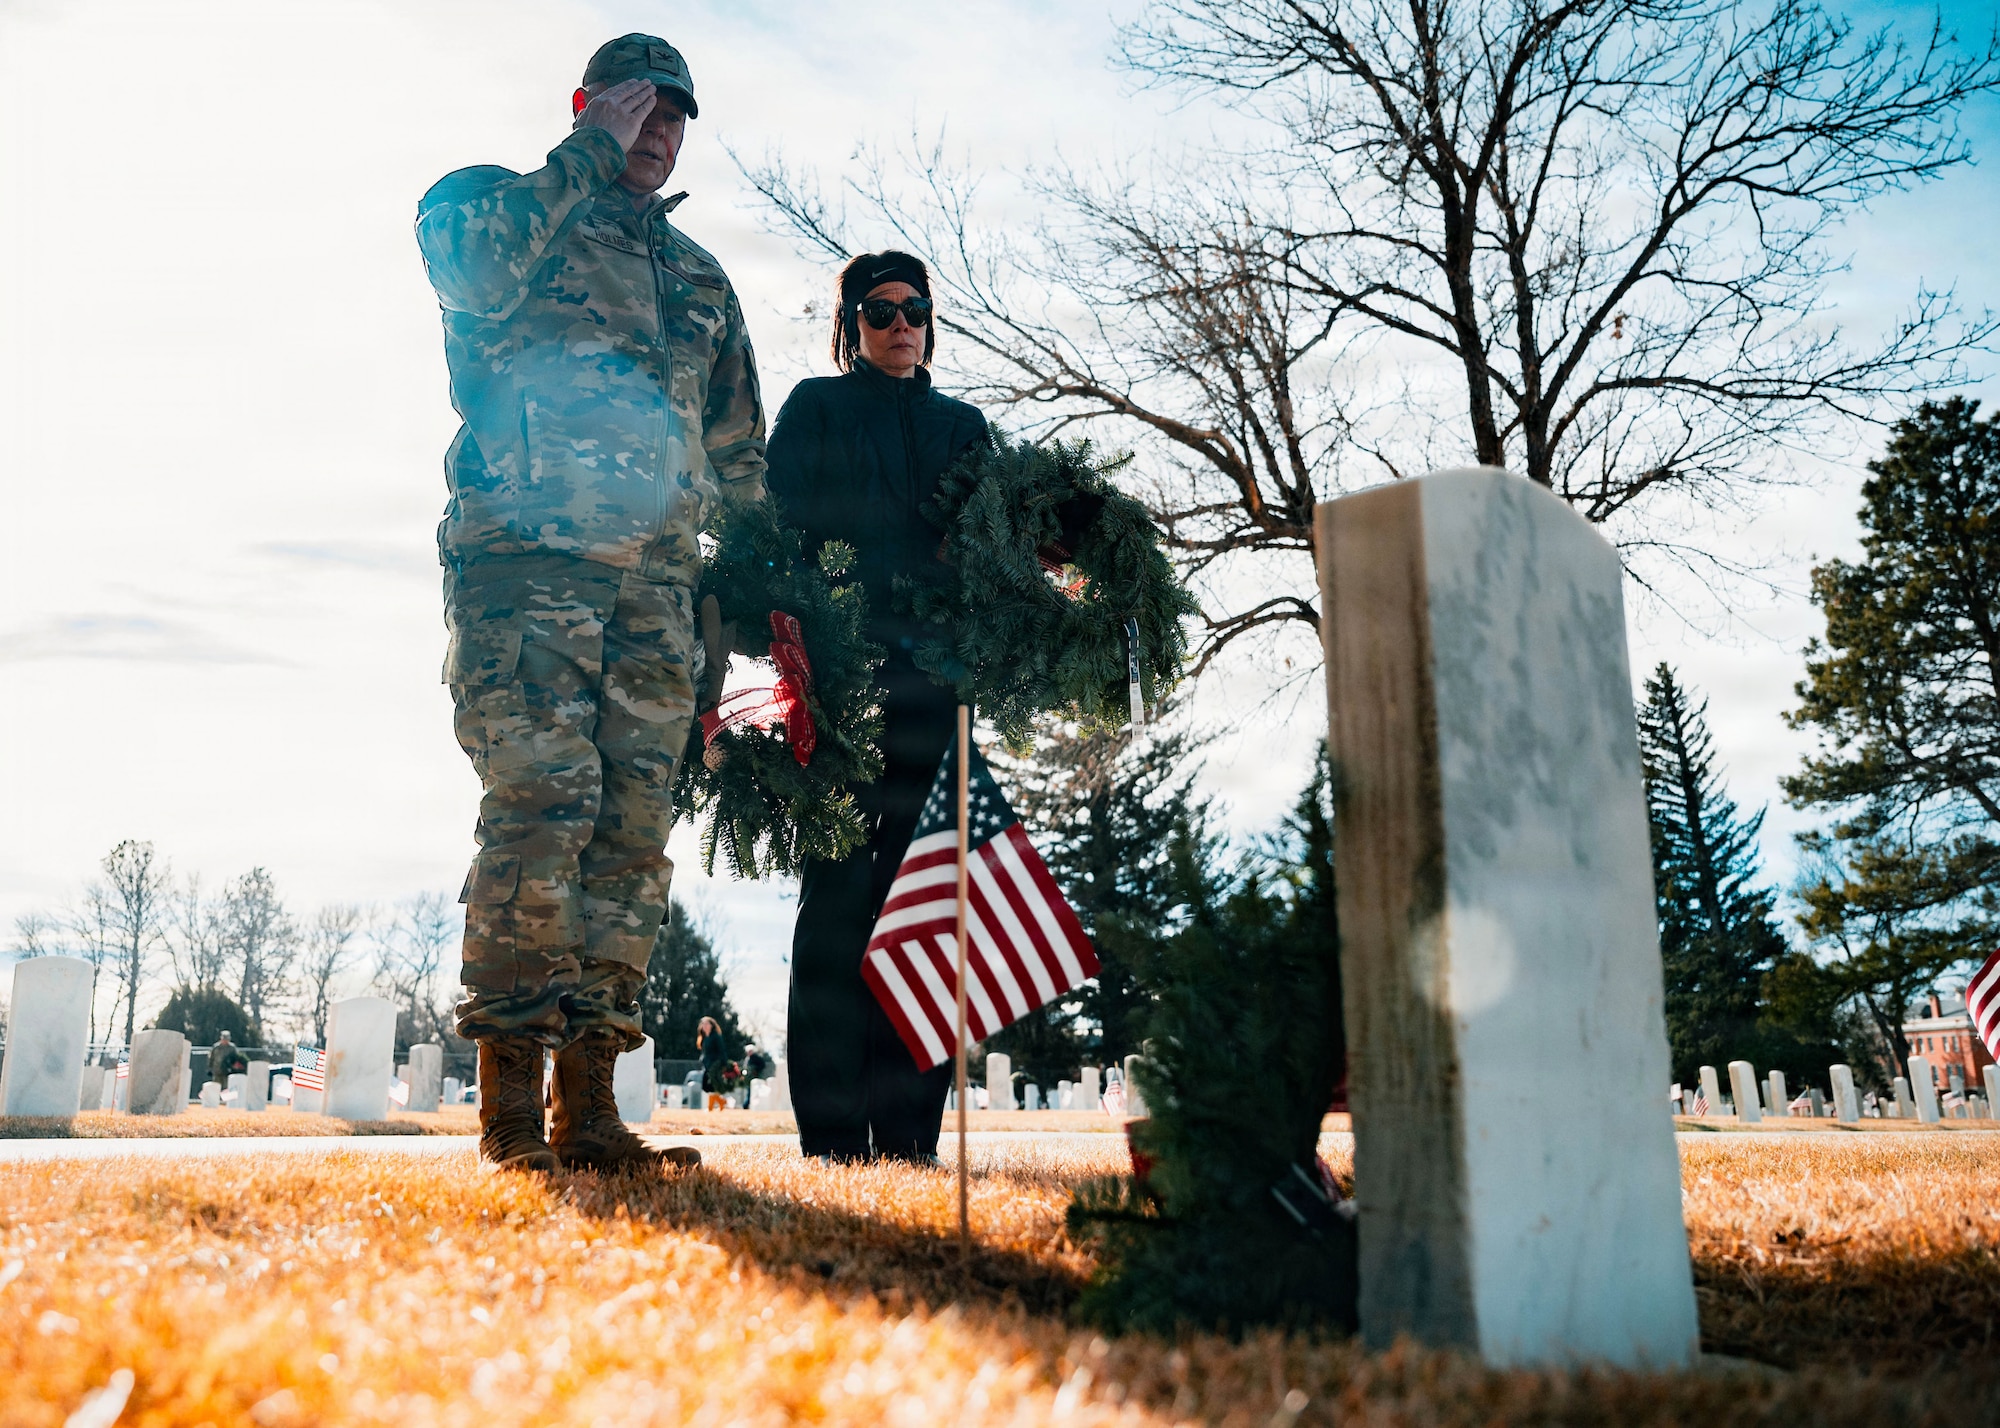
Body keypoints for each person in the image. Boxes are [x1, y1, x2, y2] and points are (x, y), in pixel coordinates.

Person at [415, 33, 764, 1175]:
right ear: (587, 104)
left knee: (629, 836)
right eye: (638, 106)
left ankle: (592, 1108)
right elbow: (468, 272)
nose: (657, 130)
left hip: (659, 596)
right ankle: (510, 1110)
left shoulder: (701, 277)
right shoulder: (496, 209)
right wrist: (583, 153)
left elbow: (738, 455)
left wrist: (762, 598)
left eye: (675, 115)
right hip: (528, 566)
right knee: (542, 804)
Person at [767, 251, 989, 1162]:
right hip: (841, 693)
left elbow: (998, 549)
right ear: (849, 325)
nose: (901, 325)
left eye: (916, 310)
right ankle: (831, 1139)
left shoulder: (965, 427)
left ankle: (907, 1140)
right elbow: (771, 529)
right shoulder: (814, 411)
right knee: (838, 907)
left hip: (937, 697)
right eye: (879, 311)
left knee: (925, 910)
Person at [696, 1016, 729, 1111]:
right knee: (707, 1086)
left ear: (712, 1025)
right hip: (707, 1064)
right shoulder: (704, 1038)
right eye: (703, 1024)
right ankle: (721, 1102)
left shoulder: (716, 1037)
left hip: (715, 1063)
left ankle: (711, 1107)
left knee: (711, 1084)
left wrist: (724, 1064)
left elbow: (722, 1050)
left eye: (707, 1024)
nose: (705, 1026)